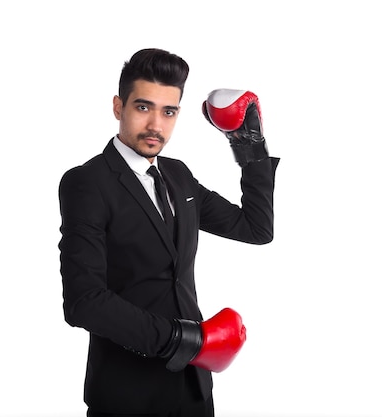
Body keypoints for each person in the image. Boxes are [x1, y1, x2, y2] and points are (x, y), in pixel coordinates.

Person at [58, 48, 280, 417]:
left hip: (194, 390)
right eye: (143, 108)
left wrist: (249, 147)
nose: (156, 126)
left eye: (169, 111)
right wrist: (182, 340)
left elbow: (256, 228)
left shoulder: (178, 176)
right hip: (127, 396)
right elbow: (84, 300)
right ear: (118, 107)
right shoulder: (87, 183)